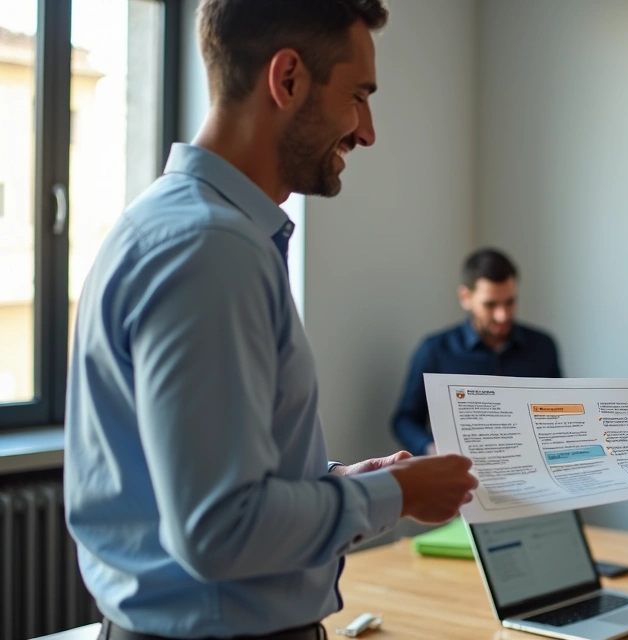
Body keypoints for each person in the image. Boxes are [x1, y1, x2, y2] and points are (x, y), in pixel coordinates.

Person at [64, 2, 478, 638]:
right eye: (359, 96)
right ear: (287, 79)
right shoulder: (210, 250)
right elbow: (218, 528)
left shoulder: (177, 226)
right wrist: (400, 496)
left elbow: (208, 482)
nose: (367, 131)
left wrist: (336, 481)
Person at [392, 248, 562, 454]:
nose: (502, 315)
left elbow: (560, 411)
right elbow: (405, 419)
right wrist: (431, 448)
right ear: (465, 297)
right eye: (490, 305)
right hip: (459, 474)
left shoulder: (543, 347)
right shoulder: (435, 350)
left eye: (510, 302)